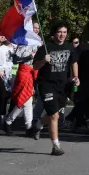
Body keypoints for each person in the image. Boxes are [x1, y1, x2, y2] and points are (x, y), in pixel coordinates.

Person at [32, 22, 75, 156]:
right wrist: (43, 61)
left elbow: (74, 62)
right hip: (47, 84)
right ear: (54, 33)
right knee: (54, 115)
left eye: (64, 32)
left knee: (56, 113)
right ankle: (56, 146)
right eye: (59, 32)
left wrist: (75, 77)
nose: (62, 35)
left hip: (62, 85)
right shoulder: (45, 48)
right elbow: (35, 67)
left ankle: (38, 124)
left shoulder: (69, 47)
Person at [68, 29, 89, 132]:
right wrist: (75, 76)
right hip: (81, 78)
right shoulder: (82, 47)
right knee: (81, 100)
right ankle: (78, 123)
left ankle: (74, 119)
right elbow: (74, 62)